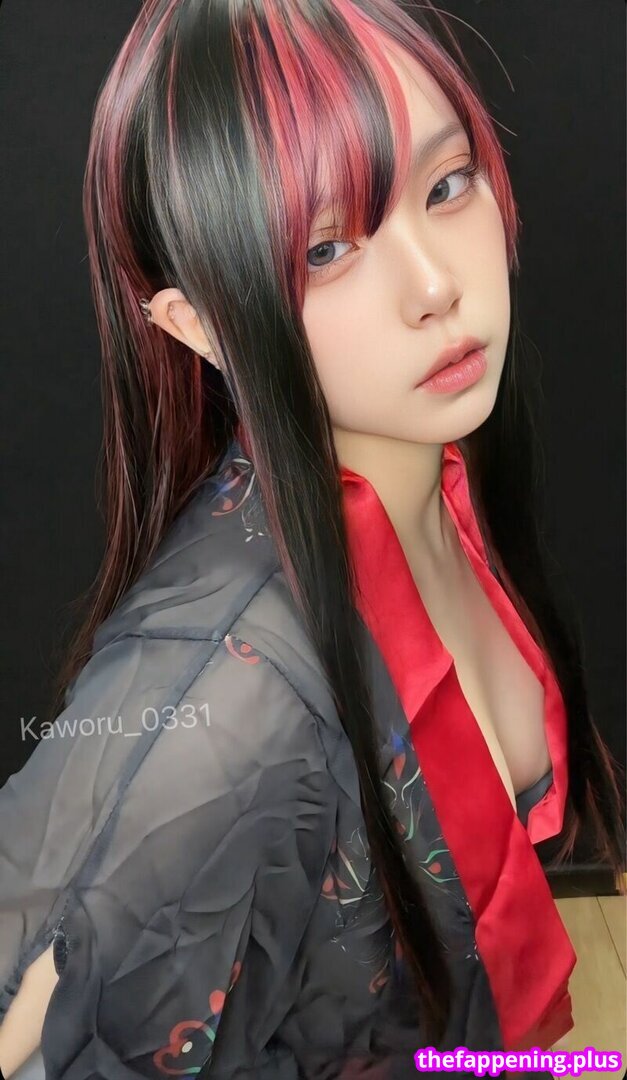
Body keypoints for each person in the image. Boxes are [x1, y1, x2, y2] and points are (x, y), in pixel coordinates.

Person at [0, 0, 624, 1076]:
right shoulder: (221, 716)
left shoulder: (440, 474)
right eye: (325, 249)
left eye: (447, 185)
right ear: (198, 326)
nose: (436, 288)